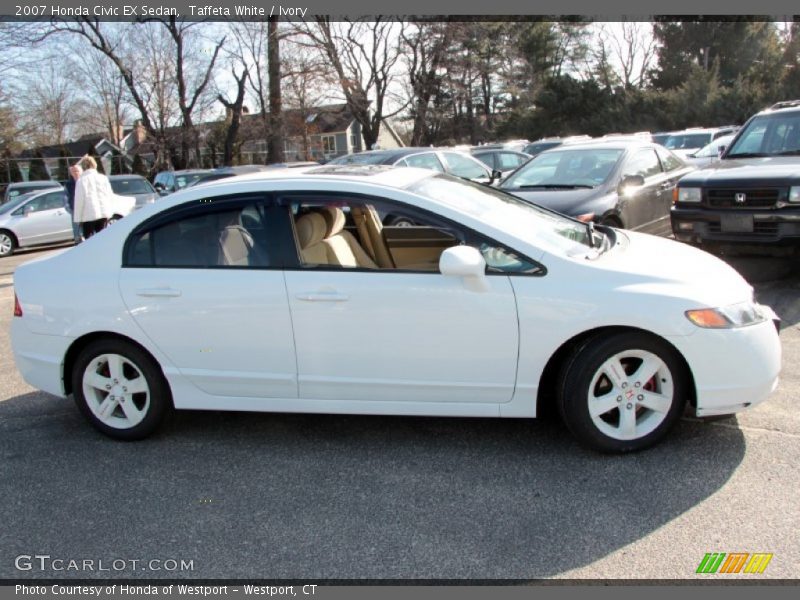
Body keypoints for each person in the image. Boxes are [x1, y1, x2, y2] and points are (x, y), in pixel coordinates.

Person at [73, 156, 114, 240]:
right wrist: (110, 212)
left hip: (88, 216)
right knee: (103, 238)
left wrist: (78, 218)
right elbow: (109, 195)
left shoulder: (81, 181)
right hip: (103, 214)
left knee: (90, 241)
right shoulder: (103, 178)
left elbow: (79, 201)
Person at [65, 163, 83, 243]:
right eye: (73, 171)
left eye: (77, 171)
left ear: (81, 172)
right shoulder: (68, 185)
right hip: (75, 211)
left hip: (87, 211)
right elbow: (65, 199)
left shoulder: (85, 182)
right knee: (77, 233)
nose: (76, 173)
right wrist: (70, 210)